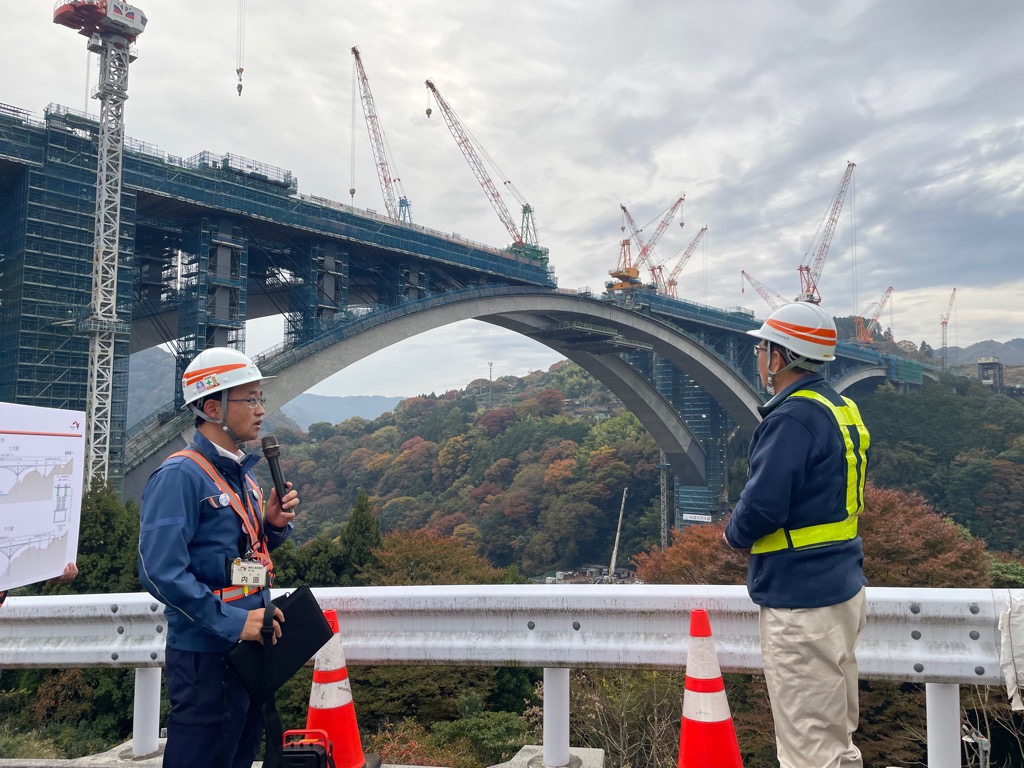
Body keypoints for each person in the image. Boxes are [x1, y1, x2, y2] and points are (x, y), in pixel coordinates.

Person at [724, 302, 870, 768]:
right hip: (841, 588)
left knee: (809, 749)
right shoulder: (840, 408)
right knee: (835, 740)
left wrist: (731, 535)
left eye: (762, 347)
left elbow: (762, 506)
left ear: (780, 356)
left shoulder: (792, 418)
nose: (758, 355)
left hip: (802, 603)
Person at [138, 347, 299, 768]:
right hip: (207, 655)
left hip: (249, 648)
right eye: (251, 399)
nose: (261, 410)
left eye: (260, 398)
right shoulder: (180, 476)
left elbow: (235, 558)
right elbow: (159, 571)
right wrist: (234, 622)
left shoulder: (242, 474)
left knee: (238, 756)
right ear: (213, 408)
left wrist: (271, 526)